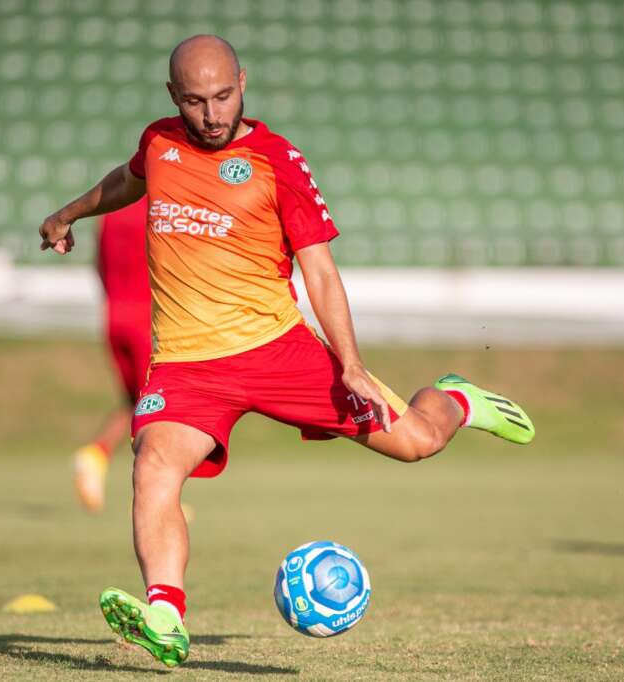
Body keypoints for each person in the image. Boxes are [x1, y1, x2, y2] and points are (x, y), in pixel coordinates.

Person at [38, 35, 535, 668]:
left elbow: (320, 273)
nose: (212, 114)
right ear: (173, 98)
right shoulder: (160, 142)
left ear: (243, 82)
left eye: (223, 96)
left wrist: (350, 363)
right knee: (154, 463)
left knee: (416, 442)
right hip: (189, 365)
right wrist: (69, 213)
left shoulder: (279, 161)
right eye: (195, 101)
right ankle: (164, 612)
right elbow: (128, 180)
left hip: (280, 350)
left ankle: (456, 398)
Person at [72, 197, 152, 513]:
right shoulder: (160, 204)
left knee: (135, 401)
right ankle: (158, 497)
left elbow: (99, 265)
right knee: (157, 408)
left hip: (113, 315)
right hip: (147, 318)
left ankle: (96, 454)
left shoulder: (110, 213)